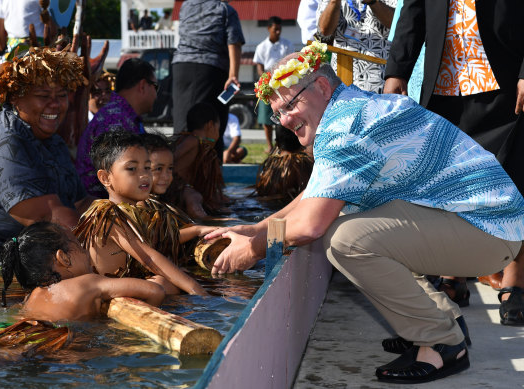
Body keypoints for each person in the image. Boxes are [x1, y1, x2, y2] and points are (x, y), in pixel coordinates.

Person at [205, 41, 524, 383]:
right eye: (278, 112)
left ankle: (441, 341)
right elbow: (312, 197)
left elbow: (311, 224)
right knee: (351, 222)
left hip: (489, 231)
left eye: (290, 105)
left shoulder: (347, 127)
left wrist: (253, 249)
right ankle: (438, 318)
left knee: (344, 239)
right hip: (487, 222)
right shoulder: (350, 109)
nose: (284, 121)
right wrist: (256, 229)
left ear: (322, 86)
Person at [383, 0, 524, 326]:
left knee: (512, 180)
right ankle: (455, 274)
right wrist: (396, 71)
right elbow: (413, 12)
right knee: (451, 184)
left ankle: (514, 281)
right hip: (445, 84)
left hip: (506, 80)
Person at [0, 47, 92, 265]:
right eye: (43, 96)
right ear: (15, 99)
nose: (56, 104)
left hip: (22, 253)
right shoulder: (1, 140)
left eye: (61, 95)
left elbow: (80, 203)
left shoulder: (54, 142)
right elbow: (48, 218)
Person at [74, 130, 208, 296]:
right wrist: (200, 294)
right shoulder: (106, 214)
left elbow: (165, 239)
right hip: (106, 296)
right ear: (105, 178)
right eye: (132, 169)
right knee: (161, 283)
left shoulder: (135, 211)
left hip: (127, 286)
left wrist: (198, 230)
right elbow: (149, 258)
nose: (144, 175)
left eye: (147, 167)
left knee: (170, 279)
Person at [0, 221, 164, 321]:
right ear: (63, 258)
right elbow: (155, 291)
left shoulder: (31, 296)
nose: (86, 253)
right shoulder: (88, 283)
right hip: (67, 356)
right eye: (79, 246)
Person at [171, 0, 245, 159]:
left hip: (180, 68)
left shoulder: (186, 6)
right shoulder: (225, 10)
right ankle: (209, 175)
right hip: (210, 70)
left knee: (183, 124)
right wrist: (233, 75)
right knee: (211, 126)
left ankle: (176, 171)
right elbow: (235, 43)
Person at [76, 58, 157, 198]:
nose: (157, 95)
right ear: (143, 85)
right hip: (106, 210)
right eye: (156, 87)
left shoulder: (123, 116)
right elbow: (121, 180)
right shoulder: (115, 120)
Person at [139, 132, 218, 264]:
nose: (166, 176)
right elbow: (157, 241)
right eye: (158, 169)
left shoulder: (160, 201)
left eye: (170, 168)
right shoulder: (140, 204)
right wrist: (196, 230)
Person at [316, 0, 396, 93]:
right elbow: (324, 32)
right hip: (342, 80)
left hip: (380, 80)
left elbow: (398, 24)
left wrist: (374, 2)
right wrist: (334, 2)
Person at [173, 102, 227, 215]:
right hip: (176, 188)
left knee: (221, 199)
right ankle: (207, 223)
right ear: (210, 125)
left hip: (185, 188)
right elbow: (172, 157)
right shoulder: (193, 140)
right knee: (195, 198)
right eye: (218, 128)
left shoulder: (202, 146)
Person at [253, 16, 295, 153]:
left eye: (280, 29)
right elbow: (259, 66)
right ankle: (270, 145)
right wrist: (264, 80)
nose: (278, 32)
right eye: (275, 29)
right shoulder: (261, 46)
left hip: (284, 84)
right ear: (269, 28)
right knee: (266, 118)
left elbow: (291, 63)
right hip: (267, 84)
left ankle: (282, 143)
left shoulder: (287, 44)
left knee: (284, 115)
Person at [254, 125, 313, 205]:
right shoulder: (300, 165)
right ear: (301, 140)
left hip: (264, 205)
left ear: (277, 142)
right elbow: (309, 196)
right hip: (288, 207)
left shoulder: (270, 164)